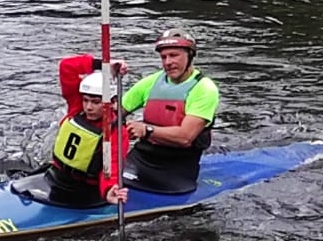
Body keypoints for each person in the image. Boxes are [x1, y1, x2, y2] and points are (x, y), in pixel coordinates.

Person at [12, 54, 129, 208]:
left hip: (83, 190)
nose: (88, 107)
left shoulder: (115, 131)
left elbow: (111, 167)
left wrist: (109, 189)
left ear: (112, 102)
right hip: (55, 177)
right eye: (86, 100)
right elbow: (66, 66)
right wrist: (102, 64)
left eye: (96, 102)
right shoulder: (77, 109)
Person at [117, 28, 220, 195]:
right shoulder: (151, 82)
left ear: (190, 56)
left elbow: (185, 137)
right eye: (163, 57)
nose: (167, 62)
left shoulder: (204, 89)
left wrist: (145, 130)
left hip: (177, 170)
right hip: (141, 158)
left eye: (174, 55)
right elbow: (115, 112)